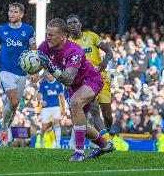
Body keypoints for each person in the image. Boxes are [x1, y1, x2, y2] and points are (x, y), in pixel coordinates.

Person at [38, 18, 114, 161]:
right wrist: (33, 71)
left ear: (62, 36)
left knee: (75, 102)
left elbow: (67, 78)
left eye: (51, 34)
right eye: (47, 34)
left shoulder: (74, 50)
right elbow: (36, 58)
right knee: (81, 125)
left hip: (92, 79)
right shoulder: (45, 46)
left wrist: (49, 67)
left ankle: (79, 152)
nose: (48, 37)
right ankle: (105, 146)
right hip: (74, 86)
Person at [0, 3, 37, 146]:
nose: (12, 13)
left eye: (15, 11)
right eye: (10, 11)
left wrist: (34, 70)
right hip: (6, 70)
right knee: (14, 101)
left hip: (22, 72)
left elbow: (34, 50)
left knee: (14, 105)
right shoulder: (2, 30)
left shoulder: (28, 30)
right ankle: (4, 127)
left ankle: (4, 129)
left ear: (22, 14)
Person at [66, 14, 113, 141]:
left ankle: (106, 133)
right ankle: (105, 140)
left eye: (74, 22)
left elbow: (109, 51)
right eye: (69, 24)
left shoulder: (91, 36)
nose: (72, 25)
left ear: (80, 24)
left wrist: (105, 62)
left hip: (100, 77)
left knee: (108, 116)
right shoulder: (68, 44)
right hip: (84, 80)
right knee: (94, 109)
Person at [37, 73, 65, 148]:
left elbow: (62, 97)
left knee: (57, 123)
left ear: (54, 75)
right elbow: (39, 95)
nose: (50, 76)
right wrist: (41, 101)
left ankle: (58, 144)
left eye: (51, 74)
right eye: (48, 74)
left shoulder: (58, 84)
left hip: (56, 107)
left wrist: (63, 109)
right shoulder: (43, 84)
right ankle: (41, 139)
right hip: (46, 108)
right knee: (44, 127)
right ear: (46, 76)